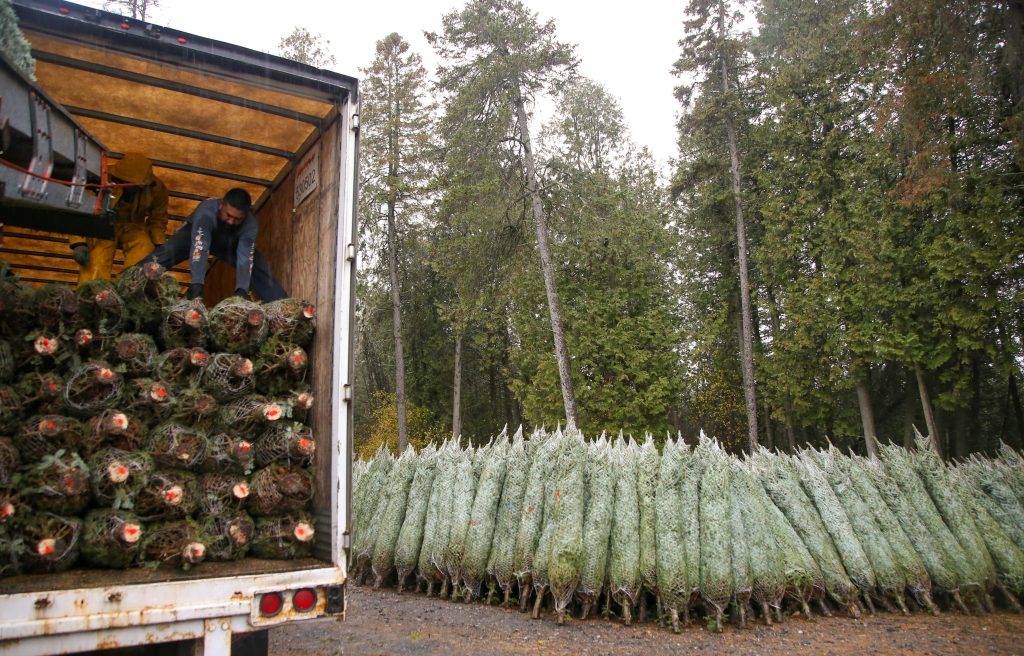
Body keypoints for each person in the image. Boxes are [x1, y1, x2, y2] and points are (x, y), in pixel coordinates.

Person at [142, 187, 287, 302]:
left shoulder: (250, 226)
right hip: (195, 233)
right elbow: (201, 246)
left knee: (258, 264)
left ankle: (282, 307)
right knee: (168, 250)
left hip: (228, 242)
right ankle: (130, 280)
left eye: (237, 219)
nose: (231, 221)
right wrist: (197, 283)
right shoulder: (206, 211)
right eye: (228, 215)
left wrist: (241, 290)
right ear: (221, 205)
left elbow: (244, 258)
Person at [70, 152, 168, 284]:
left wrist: (159, 245)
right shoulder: (101, 180)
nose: (136, 187)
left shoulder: (157, 188)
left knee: (144, 250)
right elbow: (82, 211)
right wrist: (78, 243)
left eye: (140, 185)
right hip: (103, 225)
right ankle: (92, 294)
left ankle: (131, 290)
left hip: (134, 225)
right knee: (97, 260)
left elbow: (158, 218)